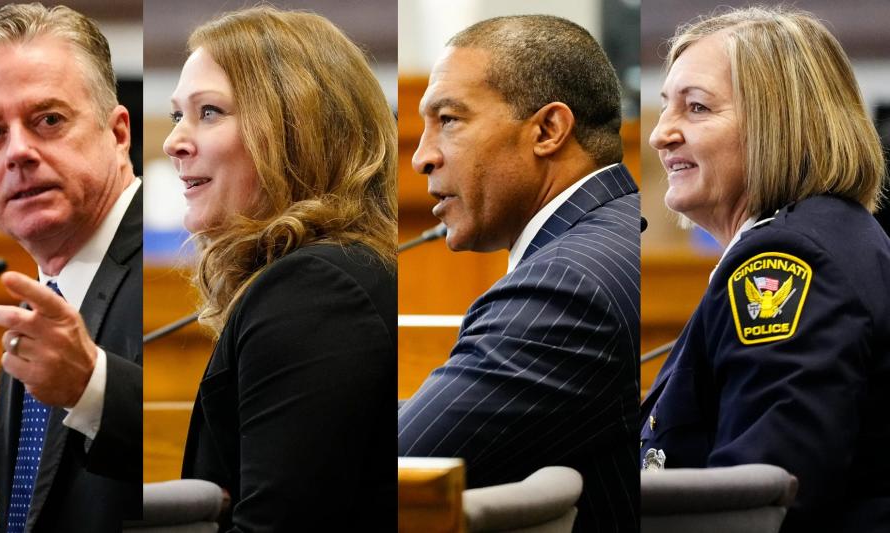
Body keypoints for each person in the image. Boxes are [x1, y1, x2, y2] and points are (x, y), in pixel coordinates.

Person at [641, 6, 890, 532]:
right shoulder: (825, 233)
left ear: (779, 123)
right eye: (666, 107)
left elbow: (761, 500)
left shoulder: (789, 260)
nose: (660, 134)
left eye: (697, 108)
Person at [397, 15, 640, 532]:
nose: (421, 157)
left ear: (548, 130)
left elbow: (406, 472)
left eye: (449, 119)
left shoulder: (567, 288)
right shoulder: (609, 236)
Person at [162, 7, 396, 532]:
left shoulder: (316, 290)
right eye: (178, 114)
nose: (173, 141)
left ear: (294, 130)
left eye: (210, 112)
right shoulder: (330, 272)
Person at [0, 4, 142, 532]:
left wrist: (94, 387)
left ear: (118, 133)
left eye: (48, 120)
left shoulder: (181, 263)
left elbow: (214, 449)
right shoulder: (43, 294)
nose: (19, 152)